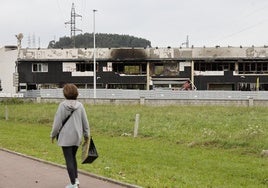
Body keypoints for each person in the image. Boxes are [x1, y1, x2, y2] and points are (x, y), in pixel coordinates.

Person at [50, 84, 89, 188]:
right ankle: (75, 179)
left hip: (65, 137)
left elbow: (57, 123)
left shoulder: (62, 105)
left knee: (69, 159)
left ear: (65, 93)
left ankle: (73, 184)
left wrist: (53, 135)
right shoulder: (80, 106)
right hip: (77, 136)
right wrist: (87, 135)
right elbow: (85, 122)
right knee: (73, 157)